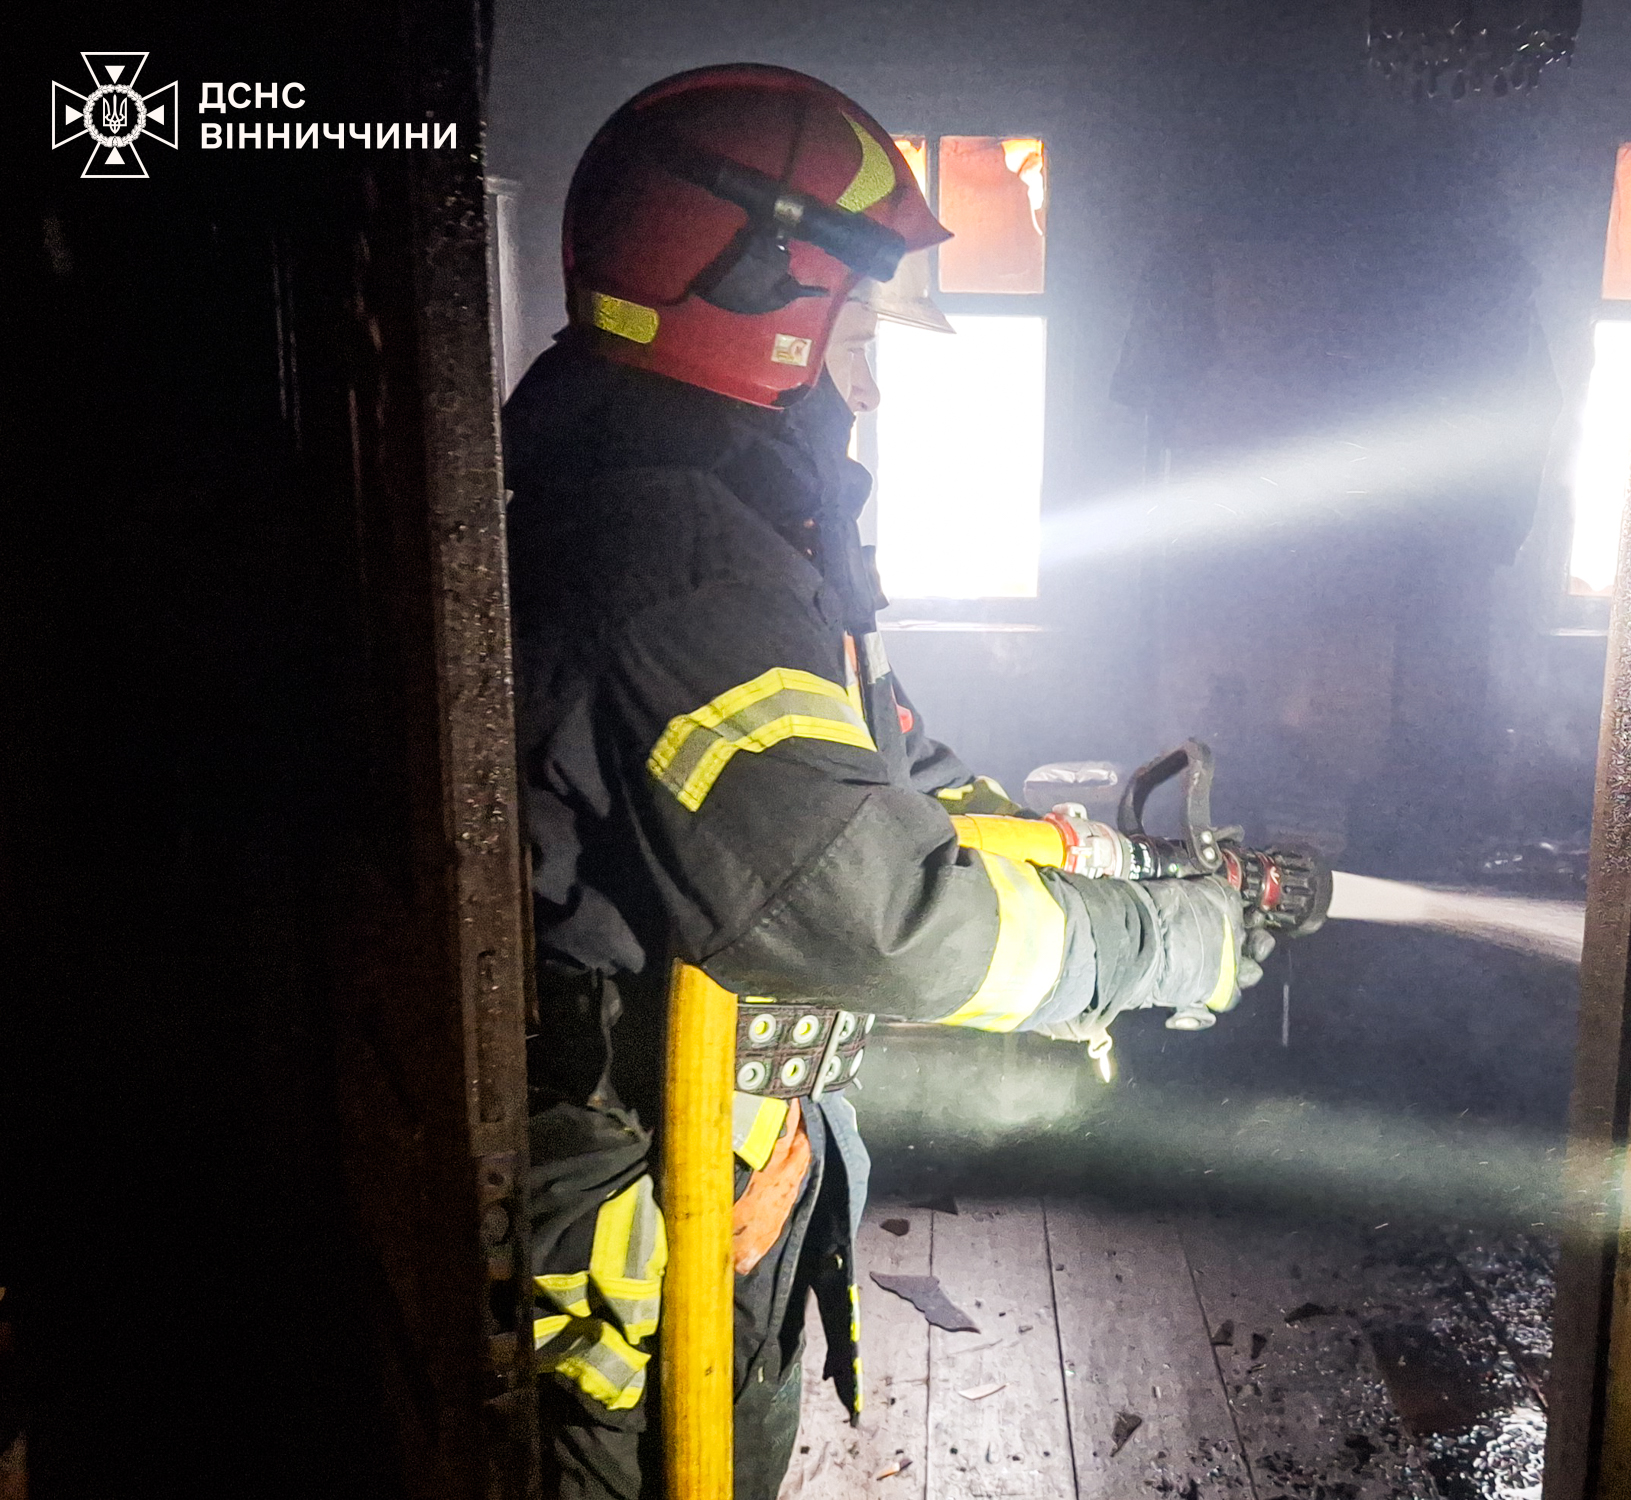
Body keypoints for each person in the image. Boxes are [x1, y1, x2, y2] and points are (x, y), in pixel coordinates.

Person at [503, 63, 1262, 1500]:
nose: (869, 369)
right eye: (859, 324)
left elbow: (887, 782)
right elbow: (868, 914)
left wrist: (1092, 858)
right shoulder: (680, 554)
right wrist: (1152, 949)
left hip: (711, 1133)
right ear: (763, 301)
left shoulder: (716, 517)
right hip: (636, 1184)